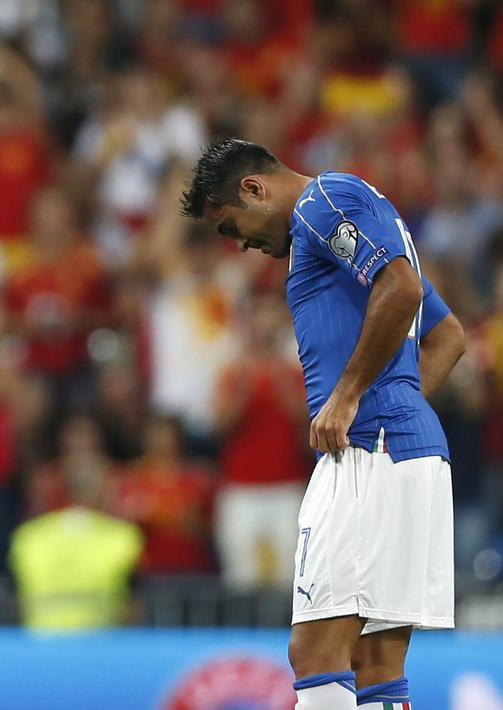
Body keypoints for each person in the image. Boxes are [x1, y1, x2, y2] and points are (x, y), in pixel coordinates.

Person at [180, 138, 465, 710]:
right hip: (407, 450)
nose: (241, 246)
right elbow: (447, 336)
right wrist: (393, 400)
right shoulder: (362, 217)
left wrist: (351, 397)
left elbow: (402, 289)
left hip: (370, 451)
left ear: (253, 188)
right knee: (376, 661)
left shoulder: (322, 202)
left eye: (231, 227)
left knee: (314, 652)